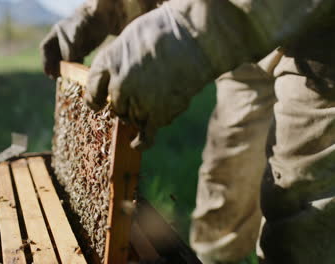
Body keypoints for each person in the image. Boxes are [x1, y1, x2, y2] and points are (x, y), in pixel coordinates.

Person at [40, 0, 335, 263]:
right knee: (226, 184)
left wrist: (192, 25)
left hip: (322, 38)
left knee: (303, 207)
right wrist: (105, 10)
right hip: (240, 40)